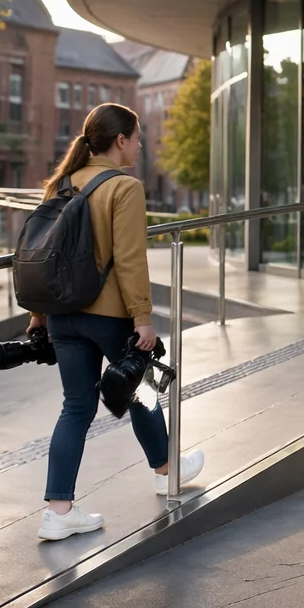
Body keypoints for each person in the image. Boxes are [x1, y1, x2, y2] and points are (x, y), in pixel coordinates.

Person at [31, 104, 205, 542]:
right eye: (137, 137)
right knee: (143, 393)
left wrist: (39, 316)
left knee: (76, 408)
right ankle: (166, 471)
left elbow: (40, 258)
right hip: (106, 313)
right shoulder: (124, 187)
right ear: (121, 141)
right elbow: (129, 260)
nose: (141, 145)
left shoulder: (62, 184)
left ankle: (58, 511)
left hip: (62, 316)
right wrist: (142, 319)